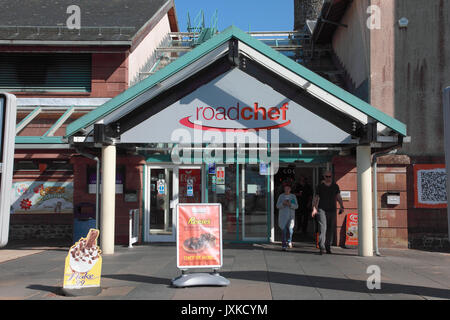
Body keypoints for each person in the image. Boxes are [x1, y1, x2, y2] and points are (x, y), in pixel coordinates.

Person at [311, 170, 344, 255]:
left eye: (330, 177)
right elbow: (316, 197)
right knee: (323, 228)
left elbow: (338, 196)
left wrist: (341, 206)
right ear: (324, 177)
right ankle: (322, 246)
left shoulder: (335, 186)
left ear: (331, 177)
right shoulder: (320, 186)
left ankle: (327, 246)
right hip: (322, 209)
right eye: (326, 176)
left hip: (332, 209)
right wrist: (314, 208)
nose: (328, 178)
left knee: (330, 228)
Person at [276, 184, 299, 250]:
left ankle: (289, 241)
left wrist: (290, 204)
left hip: (291, 216)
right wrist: (283, 204)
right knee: (284, 230)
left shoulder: (293, 196)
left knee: (290, 230)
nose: (287, 190)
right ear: (284, 189)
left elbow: (296, 206)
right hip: (283, 216)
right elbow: (277, 206)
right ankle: (284, 245)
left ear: (290, 189)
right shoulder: (281, 196)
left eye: (288, 188)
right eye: (286, 189)